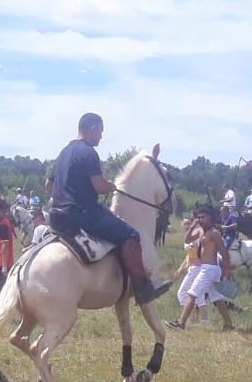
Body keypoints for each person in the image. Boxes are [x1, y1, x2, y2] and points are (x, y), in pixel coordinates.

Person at [44, 112, 169, 305]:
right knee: (131, 235)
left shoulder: (64, 152)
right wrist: (109, 185)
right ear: (92, 129)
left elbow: (48, 185)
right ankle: (143, 287)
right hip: (83, 215)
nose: (101, 137)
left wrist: (69, 193)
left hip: (57, 216)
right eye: (100, 132)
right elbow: (99, 186)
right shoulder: (88, 153)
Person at [169, 205, 233, 332]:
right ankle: (229, 325)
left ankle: (181, 324)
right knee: (217, 298)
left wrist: (226, 270)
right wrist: (193, 225)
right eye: (199, 217)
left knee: (192, 294)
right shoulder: (200, 231)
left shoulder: (214, 233)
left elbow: (224, 253)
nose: (201, 219)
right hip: (207, 268)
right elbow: (187, 240)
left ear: (210, 218)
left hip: (210, 269)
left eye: (203, 217)